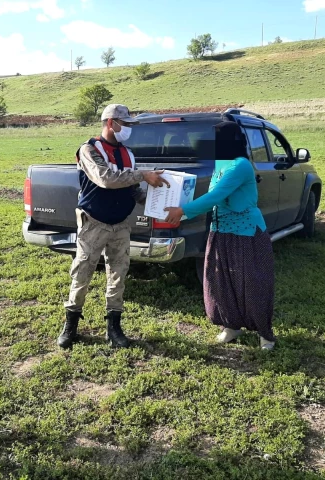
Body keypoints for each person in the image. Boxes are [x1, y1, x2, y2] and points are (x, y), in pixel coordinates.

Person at [58, 104, 170, 349]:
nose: (128, 129)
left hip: (120, 224)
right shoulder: (90, 149)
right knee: (82, 274)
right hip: (94, 223)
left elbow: (133, 190)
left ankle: (114, 327)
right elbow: (105, 178)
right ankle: (70, 325)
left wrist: (162, 204)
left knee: (118, 275)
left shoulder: (128, 154)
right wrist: (143, 175)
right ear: (110, 123)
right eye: (125, 124)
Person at [164, 121, 277, 350]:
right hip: (221, 231)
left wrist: (182, 212)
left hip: (246, 233)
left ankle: (265, 334)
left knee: (252, 283)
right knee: (219, 281)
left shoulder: (241, 166)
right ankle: (230, 326)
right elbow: (211, 195)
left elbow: (215, 196)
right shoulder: (222, 163)